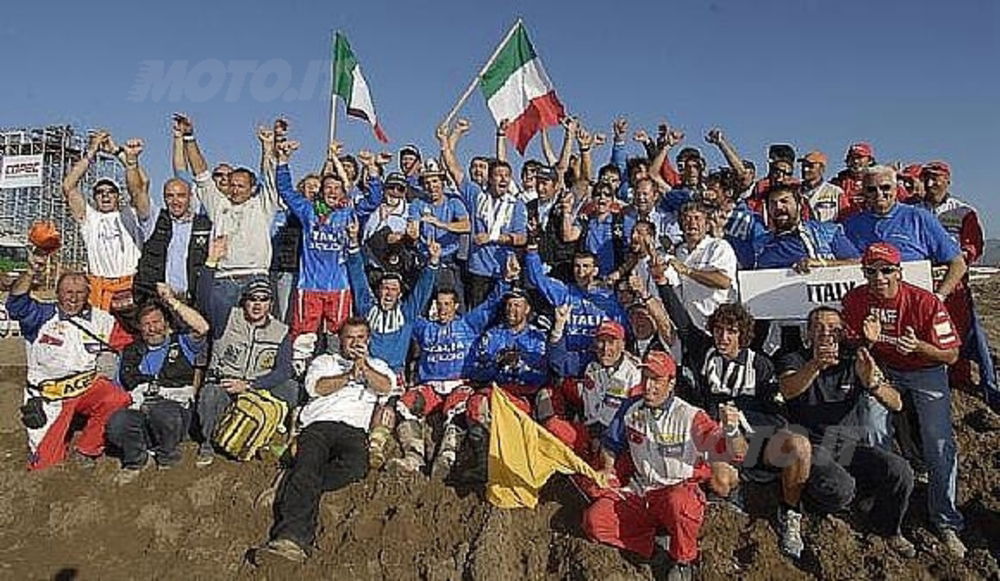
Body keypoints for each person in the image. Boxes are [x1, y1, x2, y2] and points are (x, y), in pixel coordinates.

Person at [656, 275, 853, 559]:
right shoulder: (704, 352)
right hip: (719, 443)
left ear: (743, 335)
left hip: (757, 440)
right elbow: (682, 321)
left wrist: (742, 420)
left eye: (732, 332)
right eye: (720, 330)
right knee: (721, 476)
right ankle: (728, 502)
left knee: (799, 445)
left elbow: (777, 415)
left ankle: (790, 514)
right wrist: (661, 282)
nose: (724, 337)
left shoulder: (760, 365)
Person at [841, 242, 967, 557]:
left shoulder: (924, 302)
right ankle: (885, 504)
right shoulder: (856, 299)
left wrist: (921, 348)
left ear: (899, 271)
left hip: (926, 369)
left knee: (939, 442)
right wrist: (865, 341)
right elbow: (851, 345)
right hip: (885, 367)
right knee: (871, 427)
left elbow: (951, 355)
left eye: (887, 270)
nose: (879, 278)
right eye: (872, 271)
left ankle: (946, 519)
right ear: (864, 273)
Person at [582, 350, 747, 580]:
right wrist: (607, 470)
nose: (649, 386)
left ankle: (683, 560)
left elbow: (736, 454)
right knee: (595, 521)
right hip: (643, 492)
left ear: (671, 383)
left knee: (679, 503)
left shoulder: (690, 416)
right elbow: (610, 445)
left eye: (657, 380)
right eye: (646, 378)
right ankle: (655, 543)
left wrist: (731, 430)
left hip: (677, 491)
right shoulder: (631, 408)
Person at [775, 306, 916, 557]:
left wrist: (872, 383)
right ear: (808, 333)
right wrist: (815, 365)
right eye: (818, 327)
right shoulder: (794, 357)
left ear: (842, 333)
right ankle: (808, 503)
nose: (826, 333)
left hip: (851, 447)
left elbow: (896, 403)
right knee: (842, 489)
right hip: (813, 447)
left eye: (833, 328)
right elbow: (787, 389)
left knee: (900, 470)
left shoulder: (855, 359)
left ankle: (888, 529)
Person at [254, 317, 397, 563]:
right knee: (308, 466)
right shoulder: (325, 361)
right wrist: (348, 375)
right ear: (340, 340)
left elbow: (385, 387)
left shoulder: (378, 365)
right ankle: (291, 539)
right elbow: (316, 388)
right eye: (350, 338)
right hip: (318, 426)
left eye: (360, 337)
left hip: (353, 430)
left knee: (354, 468)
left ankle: (295, 481)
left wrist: (364, 366)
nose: (355, 343)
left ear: (368, 340)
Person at [6, 255, 131, 471]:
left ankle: (87, 449)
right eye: (68, 293)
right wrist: (30, 271)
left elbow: (131, 345)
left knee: (116, 397)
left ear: (88, 294)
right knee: (44, 467)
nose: (73, 298)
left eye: (80, 293)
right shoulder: (41, 315)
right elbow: (16, 304)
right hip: (48, 398)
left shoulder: (103, 320)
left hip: (84, 389)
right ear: (58, 294)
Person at [391, 269, 512, 477]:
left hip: (460, 384)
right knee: (405, 404)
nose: (442, 309)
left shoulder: (468, 324)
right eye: (439, 304)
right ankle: (414, 457)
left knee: (456, 410)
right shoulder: (424, 328)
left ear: (456, 306)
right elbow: (408, 311)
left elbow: (491, 304)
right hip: (431, 387)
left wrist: (506, 280)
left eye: (447, 304)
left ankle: (447, 459)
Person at [196, 242, 299, 467]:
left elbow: (283, 370)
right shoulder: (227, 317)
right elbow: (204, 299)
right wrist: (211, 262)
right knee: (210, 396)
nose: (257, 305)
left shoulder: (281, 331)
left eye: (263, 300)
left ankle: (270, 435)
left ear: (271, 304)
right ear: (245, 301)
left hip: (255, 387)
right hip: (225, 383)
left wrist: (251, 385)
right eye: (253, 299)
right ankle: (210, 443)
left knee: (291, 388)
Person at [177, 115, 282, 331]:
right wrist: (189, 136)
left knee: (256, 333)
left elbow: (270, 176)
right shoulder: (218, 204)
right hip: (224, 280)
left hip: (256, 278)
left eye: (241, 186)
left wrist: (267, 145)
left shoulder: (262, 205)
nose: (235, 189)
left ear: (252, 188)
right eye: (232, 185)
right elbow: (201, 173)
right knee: (221, 334)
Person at [106, 284, 210, 483]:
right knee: (118, 422)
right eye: (146, 324)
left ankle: (168, 457)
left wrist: (171, 301)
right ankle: (136, 460)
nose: (152, 328)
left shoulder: (182, 343)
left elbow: (202, 327)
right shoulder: (129, 352)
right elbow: (118, 391)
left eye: (157, 322)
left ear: (166, 323)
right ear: (139, 327)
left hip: (174, 416)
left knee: (162, 412)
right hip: (141, 413)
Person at [918, 161, 998, 405]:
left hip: (955, 285)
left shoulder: (964, 211)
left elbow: (973, 246)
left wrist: (956, 260)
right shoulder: (914, 209)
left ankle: (969, 382)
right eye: (927, 178)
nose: (931, 183)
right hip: (920, 283)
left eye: (937, 178)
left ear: (948, 180)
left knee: (960, 332)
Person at [460, 288, 552, 483]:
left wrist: (519, 365)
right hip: (495, 391)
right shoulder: (492, 335)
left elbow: (544, 376)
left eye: (517, 305)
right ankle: (485, 463)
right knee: (476, 404)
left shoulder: (538, 338)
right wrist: (497, 364)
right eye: (509, 305)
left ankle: (522, 464)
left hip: (522, 396)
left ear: (527, 309)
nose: (512, 310)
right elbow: (473, 371)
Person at [843, 165, 968, 307]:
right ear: (864, 193)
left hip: (913, 306)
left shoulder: (918, 217)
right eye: (872, 189)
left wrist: (938, 298)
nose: (879, 193)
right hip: (867, 307)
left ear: (896, 190)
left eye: (885, 187)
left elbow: (958, 263)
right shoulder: (851, 224)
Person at [62, 130, 151, 312]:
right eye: (100, 192)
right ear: (94, 198)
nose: (105, 195)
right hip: (100, 288)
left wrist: (120, 153)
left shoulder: (129, 214)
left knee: (132, 337)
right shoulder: (90, 219)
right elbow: (68, 186)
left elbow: (142, 185)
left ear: (118, 196)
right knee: (100, 338)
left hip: (130, 284)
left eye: (110, 192)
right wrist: (91, 152)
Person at [274, 141, 355, 338]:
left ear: (343, 192)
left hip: (338, 287)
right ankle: (300, 369)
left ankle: (339, 369)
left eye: (337, 188)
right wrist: (283, 160)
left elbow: (372, 200)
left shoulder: (347, 213)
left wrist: (373, 172)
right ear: (321, 191)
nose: (332, 191)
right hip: (309, 285)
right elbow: (285, 191)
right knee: (302, 338)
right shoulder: (307, 210)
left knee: (340, 337)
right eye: (328, 187)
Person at [133, 176, 212, 306]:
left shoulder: (205, 224)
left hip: (193, 301)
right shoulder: (155, 221)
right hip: (159, 300)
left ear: (190, 197)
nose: (175, 201)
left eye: (181, 195)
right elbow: (137, 191)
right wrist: (131, 163)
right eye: (170, 196)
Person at [753, 184, 860, 271]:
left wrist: (823, 264)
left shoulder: (828, 233)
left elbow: (857, 263)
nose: (778, 207)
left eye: (784, 201)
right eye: (772, 203)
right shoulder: (759, 245)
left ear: (799, 205)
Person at [667, 202, 738, 332]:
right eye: (686, 219)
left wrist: (688, 271)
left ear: (707, 225)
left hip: (719, 327)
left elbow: (724, 282)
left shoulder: (719, 246)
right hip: (691, 328)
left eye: (697, 218)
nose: (692, 223)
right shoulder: (679, 252)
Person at [797, 151, 847, 223]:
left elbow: (845, 218)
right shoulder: (794, 192)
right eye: (803, 166)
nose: (805, 169)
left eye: (810, 166)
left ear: (822, 169)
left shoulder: (836, 192)